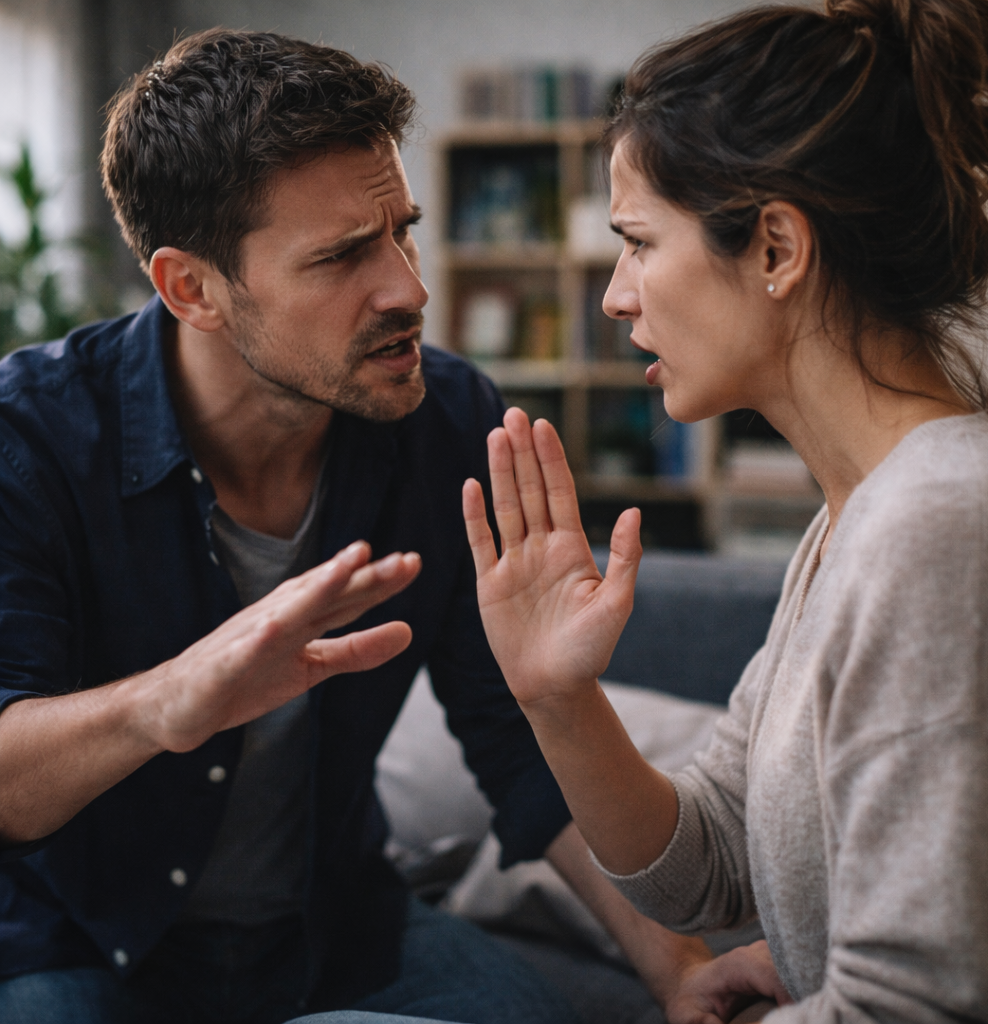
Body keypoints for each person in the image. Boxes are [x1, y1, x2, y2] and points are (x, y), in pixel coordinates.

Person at [0, 27, 785, 1024]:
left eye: (400, 231)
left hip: (335, 927)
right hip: (78, 939)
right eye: (341, 257)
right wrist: (172, 699)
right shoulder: (29, 437)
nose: (411, 288)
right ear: (189, 288)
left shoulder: (446, 417)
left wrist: (676, 970)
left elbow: (514, 738)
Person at [462, 0, 988, 1021]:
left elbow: (917, 1006)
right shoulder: (850, 521)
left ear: (773, 248)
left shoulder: (947, 520)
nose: (614, 297)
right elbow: (705, 864)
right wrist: (554, 694)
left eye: (637, 242)